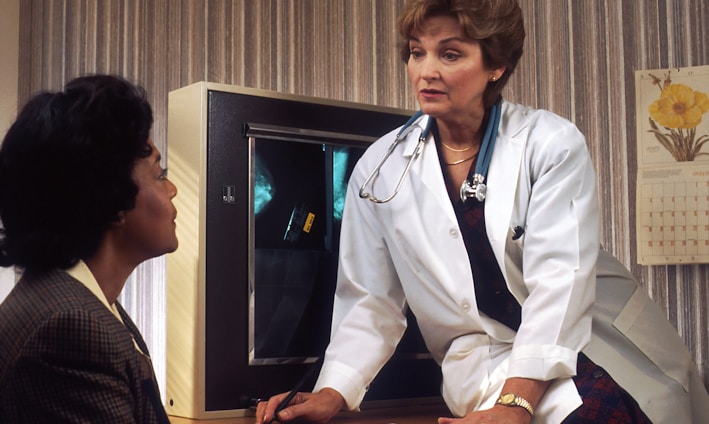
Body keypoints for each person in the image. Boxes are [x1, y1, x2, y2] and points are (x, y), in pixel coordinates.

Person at [256, 0, 709, 423]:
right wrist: (333, 392)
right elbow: (370, 299)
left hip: (592, 344)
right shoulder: (380, 169)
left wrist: (515, 402)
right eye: (417, 53)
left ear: (497, 65)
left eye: (450, 55)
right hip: (485, 366)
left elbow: (559, 281)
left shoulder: (549, 143)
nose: (426, 72)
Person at [0, 75, 176, 423]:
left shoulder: (81, 303)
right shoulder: (71, 328)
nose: (172, 189)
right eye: (159, 173)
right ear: (111, 197)